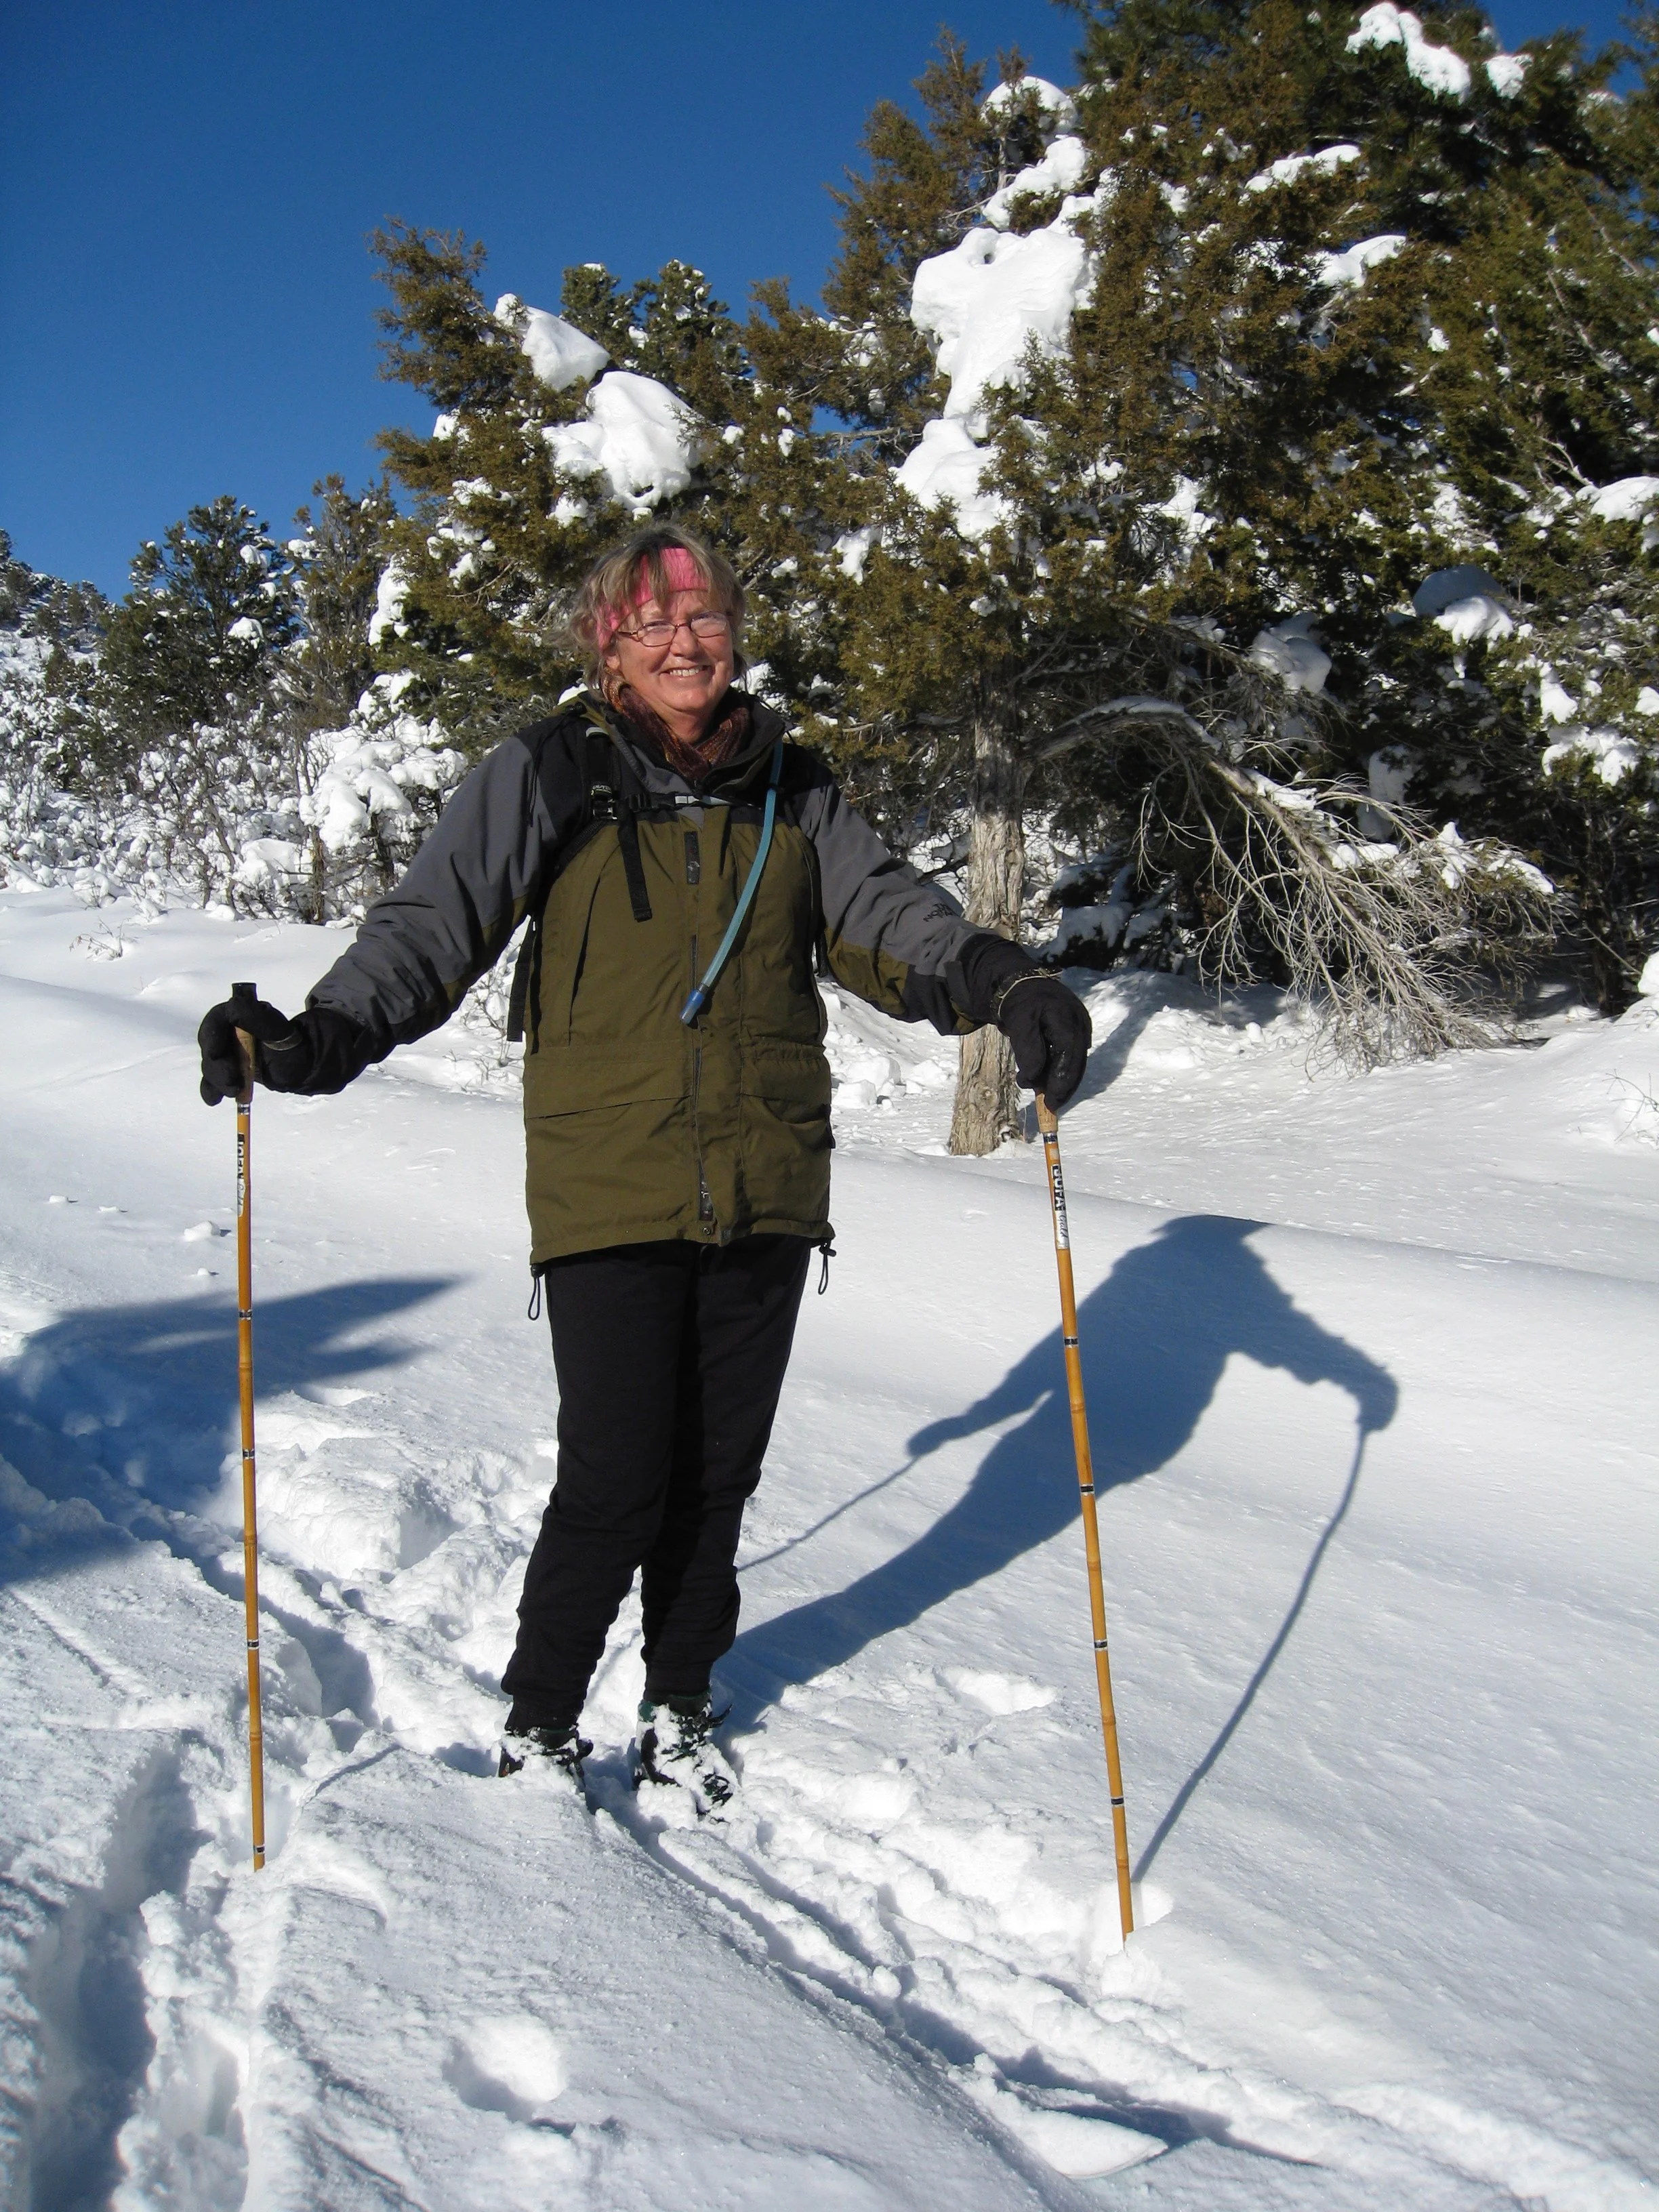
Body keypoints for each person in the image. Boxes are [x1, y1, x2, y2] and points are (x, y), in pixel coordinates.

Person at [198, 525, 1091, 1809]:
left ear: (736, 631)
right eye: (650, 622)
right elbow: (431, 922)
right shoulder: (551, 771)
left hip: (768, 1179)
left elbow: (888, 914)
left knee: (719, 1477)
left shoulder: (794, 784)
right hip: (609, 1180)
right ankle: (542, 1720)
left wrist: (999, 974)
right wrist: (321, 1035)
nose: (684, 642)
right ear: (606, 644)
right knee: (617, 1477)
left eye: (706, 619)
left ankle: (679, 1705)